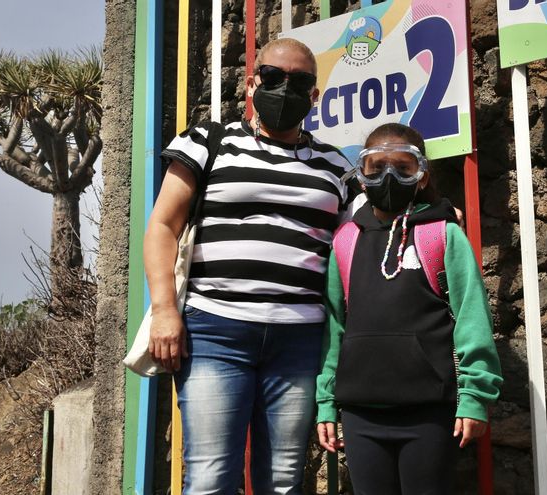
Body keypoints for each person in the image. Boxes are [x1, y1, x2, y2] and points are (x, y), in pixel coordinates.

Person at [143, 38, 358, 494]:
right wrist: (163, 310)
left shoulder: (337, 167)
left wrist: (434, 214)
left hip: (300, 339)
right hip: (215, 332)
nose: (285, 89)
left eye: (299, 82)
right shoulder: (208, 142)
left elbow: (367, 234)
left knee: (283, 482)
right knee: (210, 478)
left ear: (314, 95)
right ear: (251, 83)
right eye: (273, 77)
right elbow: (162, 225)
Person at [315, 123, 504, 495]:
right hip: (360, 414)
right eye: (376, 168)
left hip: (429, 413)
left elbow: (471, 316)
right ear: (361, 175)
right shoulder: (345, 240)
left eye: (403, 168)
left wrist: (475, 398)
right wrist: (325, 401)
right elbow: (334, 328)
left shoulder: (442, 234)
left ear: (422, 177)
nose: (388, 177)